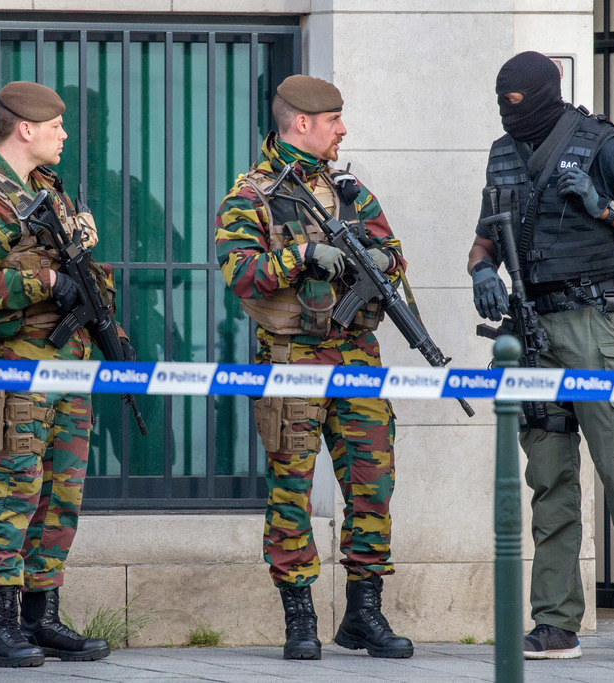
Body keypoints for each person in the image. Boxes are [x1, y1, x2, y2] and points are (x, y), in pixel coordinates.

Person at [467, 51, 614, 665]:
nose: (511, 113)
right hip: (532, 330)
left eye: (520, 102)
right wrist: (483, 271)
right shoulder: (502, 153)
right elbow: (483, 240)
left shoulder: (601, 147)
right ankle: (556, 623)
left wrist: (606, 208)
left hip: (597, 327)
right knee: (549, 479)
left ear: (546, 93)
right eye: (501, 102)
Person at [215, 74, 415, 661]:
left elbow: (395, 255)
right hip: (291, 359)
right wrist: (301, 256)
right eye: (334, 120)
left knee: (372, 484)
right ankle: (299, 618)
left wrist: (381, 257)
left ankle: (364, 613)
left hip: (357, 357)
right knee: (291, 490)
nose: (343, 130)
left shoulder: (351, 192)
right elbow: (239, 272)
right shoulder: (250, 195)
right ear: (301, 123)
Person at [0, 80, 131, 668]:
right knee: (16, 492)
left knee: (61, 495)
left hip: (71, 369)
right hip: (18, 369)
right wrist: (45, 283)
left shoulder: (49, 190)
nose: (65, 136)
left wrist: (107, 323)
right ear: (25, 128)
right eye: (56, 127)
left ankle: (40, 617)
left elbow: (84, 267)